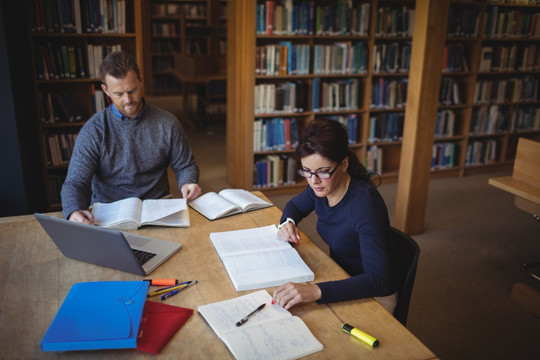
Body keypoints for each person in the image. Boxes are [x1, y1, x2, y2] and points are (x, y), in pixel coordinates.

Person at [272, 118, 398, 313]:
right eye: (306, 171)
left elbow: (379, 280)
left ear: (344, 164)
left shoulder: (364, 205)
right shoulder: (321, 187)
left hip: (372, 294)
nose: (314, 181)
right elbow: (294, 206)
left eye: (323, 172)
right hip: (340, 275)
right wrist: (286, 223)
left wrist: (315, 291)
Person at [61, 50, 201, 223]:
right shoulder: (93, 131)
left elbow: (185, 165)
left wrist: (189, 182)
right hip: (109, 214)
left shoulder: (168, 123)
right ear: (105, 90)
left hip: (157, 210)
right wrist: (73, 210)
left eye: (132, 90)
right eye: (119, 94)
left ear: (141, 81)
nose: (128, 100)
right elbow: (76, 183)